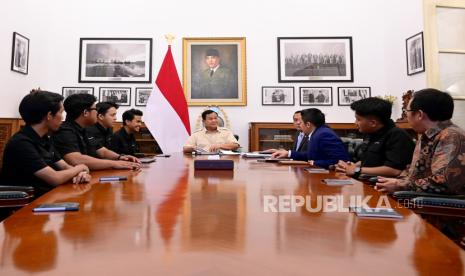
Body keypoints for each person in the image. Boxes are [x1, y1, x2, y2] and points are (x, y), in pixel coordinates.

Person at [1, 90, 91, 197]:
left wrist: (82, 174)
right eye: (61, 112)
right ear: (49, 115)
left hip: (50, 196)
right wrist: (80, 168)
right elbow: (55, 178)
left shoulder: (45, 138)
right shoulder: (21, 143)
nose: (62, 118)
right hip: (27, 205)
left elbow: (65, 167)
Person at [375, 89, 465, 195]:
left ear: (419, 114)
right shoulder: (427, 135)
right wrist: (396, 182)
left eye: (406, 111)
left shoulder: (451, 136)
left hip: (438, 206)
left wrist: (401, 185)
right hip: (415, 197)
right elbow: (413, 173)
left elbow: (444, 181)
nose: (406, 116)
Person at [52, 94, 140, 170]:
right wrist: (114, 163)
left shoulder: (84, 129)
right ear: (86, 113)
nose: (97, 113)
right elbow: (76, 159)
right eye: (95, 109)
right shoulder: (65, 131)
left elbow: (101, 150)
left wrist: (120, 157)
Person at [336, 97, 415, 178]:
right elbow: (369, 160)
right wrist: (349, 167)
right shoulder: (370, 133)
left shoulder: (397, 135)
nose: (355, 123)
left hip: (384, 186)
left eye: (358, 119)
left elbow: (394, 170)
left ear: (373, 123)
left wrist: (357, 170)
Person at [272, 108, 349, 168]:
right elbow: (311, 154)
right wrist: (288, 153)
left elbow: (341, 161)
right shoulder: (316, 132)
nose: (299, 125)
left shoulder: (324, 134)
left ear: (308, 124)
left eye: (301, 123)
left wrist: (314, 163)